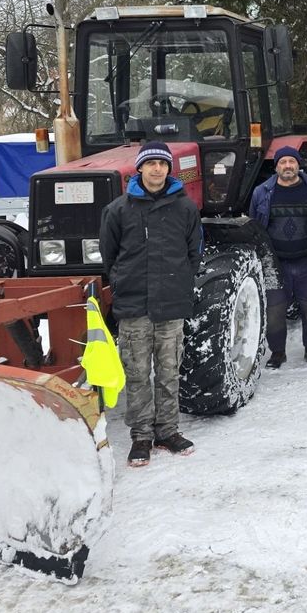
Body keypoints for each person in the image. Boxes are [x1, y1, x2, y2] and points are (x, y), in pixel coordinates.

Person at [99, 140, 201, 467]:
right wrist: (123, 281)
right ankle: (141, 436)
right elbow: (109, 255)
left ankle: (168, 431)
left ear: (169, 168)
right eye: (151, 163)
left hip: (171, 304)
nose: (157, 169)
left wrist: (180, 281)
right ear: (140, 167)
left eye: (162, 163)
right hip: (134, 305)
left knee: (169, 371)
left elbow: (193, 252)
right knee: (138, 373)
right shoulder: (118, 209)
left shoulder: (185, 208)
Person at [249, 146, 307, 369]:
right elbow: (255, 224)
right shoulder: (261, 192)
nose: (288, 166)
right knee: (274, 311)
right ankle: (277, 352)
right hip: (276, 263)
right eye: (283, 163)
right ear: (276, 167)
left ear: (298, 164)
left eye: (292, 162)